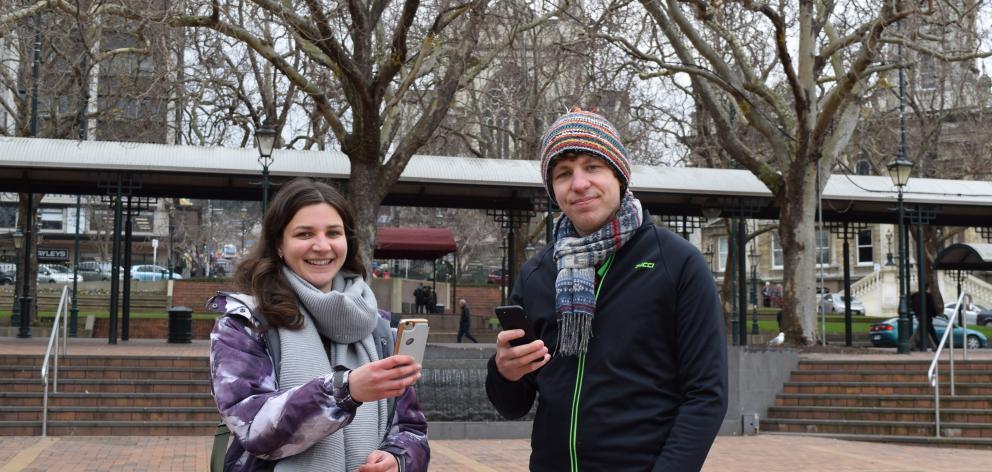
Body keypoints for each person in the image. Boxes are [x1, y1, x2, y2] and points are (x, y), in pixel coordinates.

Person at [485, 107, 727, 471]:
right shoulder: (537, 273)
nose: (579, 184)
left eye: (592, 167)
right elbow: (513, 404)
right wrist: (504, 372)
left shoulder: (677, 263)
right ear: (553, 189)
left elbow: (706, 394)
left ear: (619, 176)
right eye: (564, 173)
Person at [206, 178, 428, 472]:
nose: (322, 246)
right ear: (279, 245)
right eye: (304, 233)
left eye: (333, 233)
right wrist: (345, 391)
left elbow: (412, 430)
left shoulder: (379, 328)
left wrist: (398, 459)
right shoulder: (244, 323)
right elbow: (252, 427)